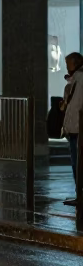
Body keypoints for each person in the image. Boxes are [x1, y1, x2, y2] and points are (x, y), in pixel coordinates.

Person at [60, 52, 83, 205]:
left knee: (78, 163)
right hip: (74, 127)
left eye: (68, 63)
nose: (67, 67)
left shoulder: (79, 79)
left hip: (77, 128)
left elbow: (75, 106)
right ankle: (79, 194)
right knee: (76, 163)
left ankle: (80, 195)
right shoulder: (75, 80)